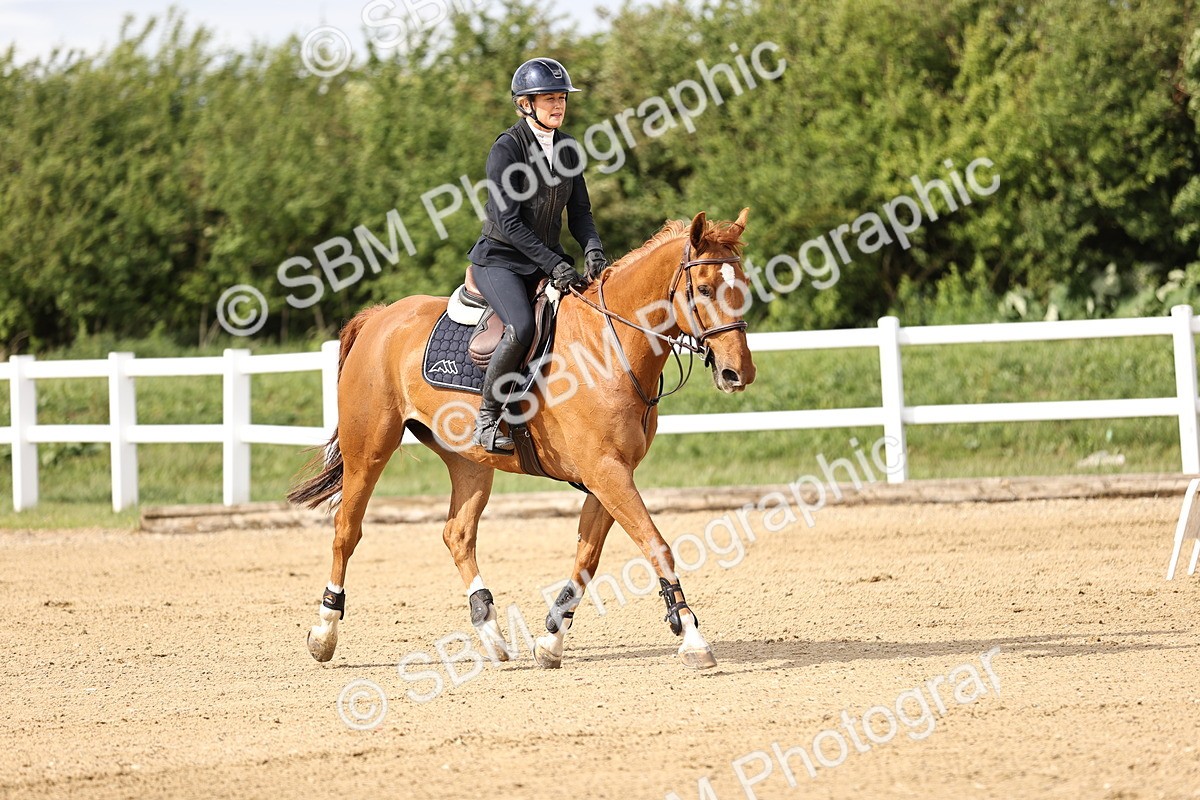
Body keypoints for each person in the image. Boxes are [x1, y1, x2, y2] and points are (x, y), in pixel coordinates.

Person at [467, 57, 608, 454]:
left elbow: (580, 212)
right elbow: (509, 224)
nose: (558, 105)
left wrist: (592, 247)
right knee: (523, 327)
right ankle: (487, 419)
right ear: (525, 104)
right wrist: (554, 263)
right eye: (548, 98)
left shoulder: (567, 148)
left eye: (561, 97)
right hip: (500, 260)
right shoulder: (506, 149)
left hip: (547, 259)